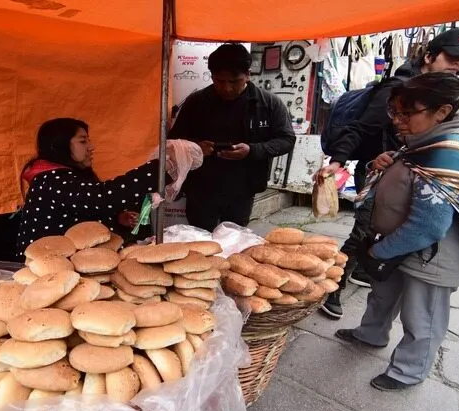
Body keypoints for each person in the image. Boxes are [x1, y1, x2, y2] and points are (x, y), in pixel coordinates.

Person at [318, 28, 459, 320]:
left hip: (411, 175)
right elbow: (363, 127)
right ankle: (335, 285)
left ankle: (371, 275)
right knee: (365, 234)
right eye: (452, 56)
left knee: (392, 239)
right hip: (385, 174)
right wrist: (339, 160)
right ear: (429, 55)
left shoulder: (451, 94)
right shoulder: (403, 87)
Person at [335, 72, 459, 391]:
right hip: (400, 248)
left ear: (441, 112)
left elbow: (428, 226)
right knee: (382, 295)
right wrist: (379, 164)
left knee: (421, 317)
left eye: (406, 113)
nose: (397, 121)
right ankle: (370, 334)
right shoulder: (421, 143)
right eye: (394, 112)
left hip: (431, 258)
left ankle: (408, 371)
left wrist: (377, 251)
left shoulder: (446, 154)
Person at [168, 43, 295, 231]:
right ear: (211, 76)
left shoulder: (268, 103)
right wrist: (195, 148)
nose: (226, 88)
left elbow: (286, 140)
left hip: (243, 189)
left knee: (234, 240)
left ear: (248, 75)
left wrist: (252, 150)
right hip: (201, 188)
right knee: (199, 240)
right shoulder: (196, 102)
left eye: (234, 81)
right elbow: (174, 140)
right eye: (219, 81)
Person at [17, 118, 176, 254]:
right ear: (60, 144)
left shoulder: (62, 176)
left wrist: (116, 217)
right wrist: (156, 169)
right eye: (82, 141)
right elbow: (103, 198)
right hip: (47, 268)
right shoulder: (52, 179)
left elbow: (83, 209)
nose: (91, 147)